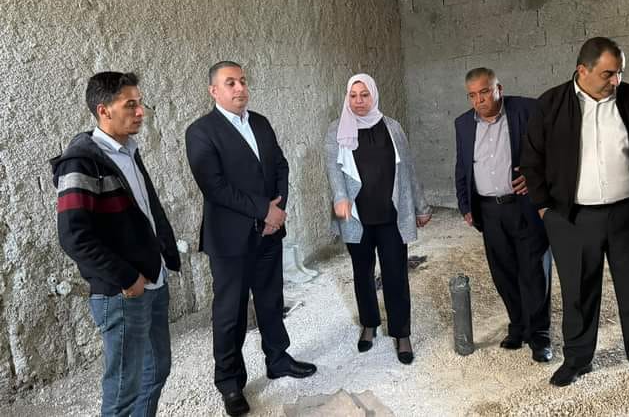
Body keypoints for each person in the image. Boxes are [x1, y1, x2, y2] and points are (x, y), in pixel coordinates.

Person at [521, 37, 629, 400]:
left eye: (620, 72)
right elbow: (532, 160)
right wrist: (545, 209)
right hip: (572, 219)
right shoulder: (550, 105)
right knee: (577, 293)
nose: (616, 80)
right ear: (583, 70)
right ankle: (577, 359)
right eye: (608, 73)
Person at [185, 61, 316, 417]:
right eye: (230, 83)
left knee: (271, 300)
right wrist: (263, 211)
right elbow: (214, 187)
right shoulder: (201, 132)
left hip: (269, 233)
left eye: (242, 81)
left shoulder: (259, 122)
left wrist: (278, 210)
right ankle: (230, 383)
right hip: (230, 240)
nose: (240, 88)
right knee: (231, 313)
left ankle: (278, 359)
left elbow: (280, 166)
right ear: (214, 91)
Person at [51, 72, 181, 416]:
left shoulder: (128, 151)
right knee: (124, 392)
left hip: (153, 281)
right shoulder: (81, 162)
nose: (140, 112)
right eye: (130, 105)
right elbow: (74, 236)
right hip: (123, 293)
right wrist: (127, 278)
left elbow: (146, 212)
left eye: (140, 103)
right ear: (103, 110)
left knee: (156, 371)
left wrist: (163, 258)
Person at [324, 73, 432, 365]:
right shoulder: (337, 130)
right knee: (362, 273)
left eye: (364, 95)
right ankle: (369, 324)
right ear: (347, 98)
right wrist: (340, 197)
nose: (359, 101)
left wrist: (421, 207)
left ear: (374, 95)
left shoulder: (392, 127)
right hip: (356, 217)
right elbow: (333, 170)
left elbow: (408, 169)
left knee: (396, 274)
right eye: (353, 95)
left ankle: (401, 332)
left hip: (391, 215)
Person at [454, 67, 553, 363]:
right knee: (503, 273)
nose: (479, 100)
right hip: (489, 210)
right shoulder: (463, 124)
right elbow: (463, 166)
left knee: (534, 271)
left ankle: (540, 335)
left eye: (485, 92)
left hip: (524, 206)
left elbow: (557, 149)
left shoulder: (527, 110)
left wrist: (538, 178)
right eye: (473, 95)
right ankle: (518, 326)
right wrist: (465, 205)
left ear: (499, 88)